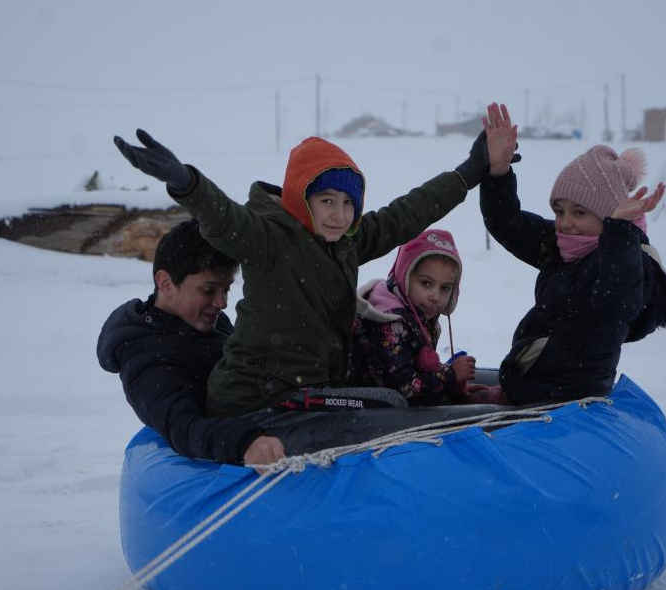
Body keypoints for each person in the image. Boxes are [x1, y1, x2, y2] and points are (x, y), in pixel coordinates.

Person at [114, 128, 493, 466]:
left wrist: (468, 173)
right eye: (327, 200)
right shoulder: (269, 240)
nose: (339, 214)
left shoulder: (345, 243)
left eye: (348, 203)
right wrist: (186, 183)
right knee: (391, 407)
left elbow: (404, 214)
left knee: (389, 398)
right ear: (301, 198)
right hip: (261, 401)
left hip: (308, 390)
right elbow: (225, 219)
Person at [479, 103, 666, 405]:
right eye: (559, 211)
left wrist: (620, 230)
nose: (566, 222)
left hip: (569, 400)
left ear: (609, 216)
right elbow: (507, 223)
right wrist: (498, 172)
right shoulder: (563, 246)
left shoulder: (627, 259)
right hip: (532, 386)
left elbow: (617, 302)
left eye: (579, 212)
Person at [96, 219, 261, 462]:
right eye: (209, 290)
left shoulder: (208, 322)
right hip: (204, 461)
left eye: (226, 289)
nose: (222, 302)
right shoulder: (147, 356)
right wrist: (246, 442)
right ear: (166, 284)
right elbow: (185, 428)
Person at [350, 228, 478, 405]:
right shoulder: (388, 322)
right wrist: (450, 376)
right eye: (426, 283)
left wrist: (452, 385)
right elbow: (404, 387)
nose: (435, 295)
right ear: (405, 276)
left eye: (445, 288)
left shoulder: (418, 312)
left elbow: (416, 366)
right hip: (370, 410)